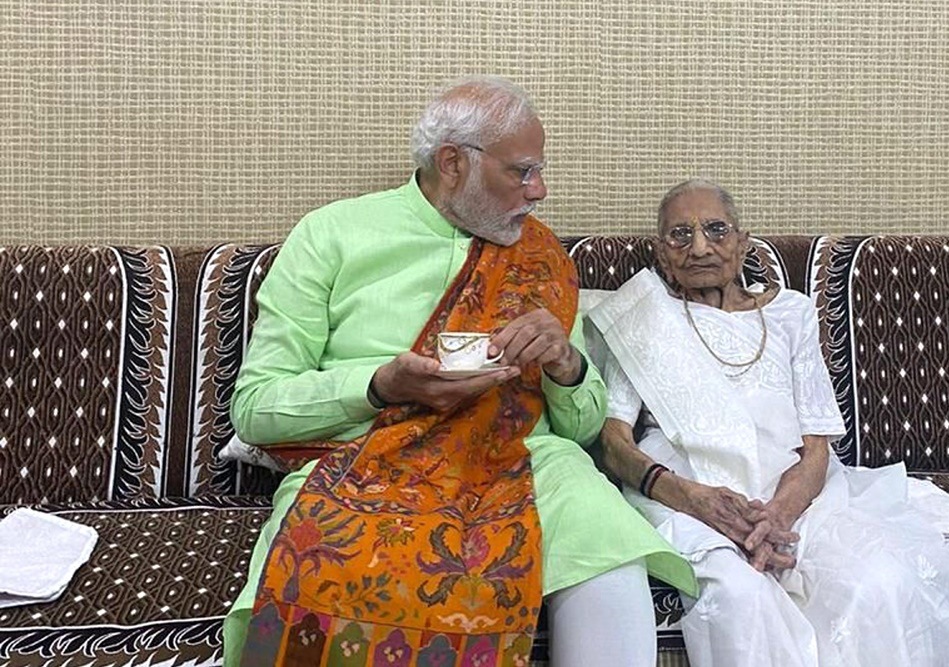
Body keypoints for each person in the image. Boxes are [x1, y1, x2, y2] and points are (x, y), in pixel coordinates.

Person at [221, 77, 694, 667]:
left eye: (538, 171)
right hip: (365, 463)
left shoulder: (542, 257)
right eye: (520, 172)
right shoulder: (330, 236)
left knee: (605, 542)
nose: (539, 191)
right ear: (452, 163)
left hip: (523, 460)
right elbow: (257, 409)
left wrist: (566, 365)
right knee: (324, 565)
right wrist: (378, 387)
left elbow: (581, 429)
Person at [592, 179, 949, 667]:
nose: (699, 247)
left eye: (716, 230)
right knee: (742, 599)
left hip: (794, 494)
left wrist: (778, 516)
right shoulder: (644, 318)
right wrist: (693, 499)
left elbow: (815, 445)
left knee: (880, 582)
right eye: (680, 235)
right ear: (662, 252)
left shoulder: (791, 312)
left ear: (743, 241)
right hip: (687, 495)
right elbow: (613, 441)